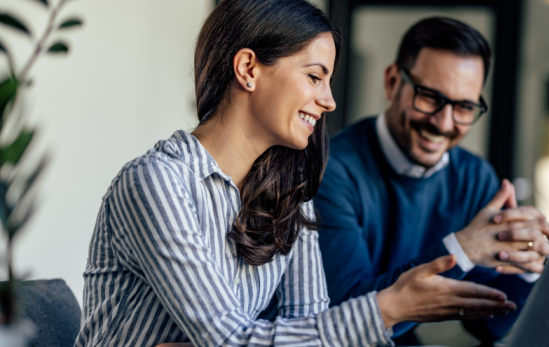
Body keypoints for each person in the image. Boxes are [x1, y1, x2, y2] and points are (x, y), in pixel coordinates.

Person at [74, 3, 518, 347]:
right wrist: (388, 307)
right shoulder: (156, 183)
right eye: (314, 77)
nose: (329, 102)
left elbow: (312, 325)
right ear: (248, 69)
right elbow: (230, 340)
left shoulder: (289, 193)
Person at [314, 17, 549, 345]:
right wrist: (462, 251)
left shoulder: (475, 177)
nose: (444, 123)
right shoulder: (329, 169)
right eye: (429, 97)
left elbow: (487, 326)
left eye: (464, 107)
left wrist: (528, 264)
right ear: (392, 82)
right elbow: (345, 314)